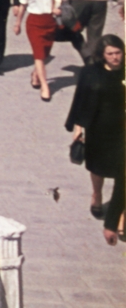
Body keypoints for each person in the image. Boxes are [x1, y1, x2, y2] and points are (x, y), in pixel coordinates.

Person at [66, 35, 125, 244]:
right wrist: (78, 126)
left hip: (123, 130)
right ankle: (97, 195)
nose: (115, 58)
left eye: (118, 53)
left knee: (123, 174)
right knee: (98, 167)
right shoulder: (91, 73)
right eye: (111, 54)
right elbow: (81, 99)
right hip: (98, 128)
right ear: (102, 55)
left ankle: (120, 217)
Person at [13, 0, 63, 101]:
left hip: (49, 23)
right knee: (39, 55)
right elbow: (23, 7)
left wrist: (57, 8)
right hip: (34, 23)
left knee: (45, 53)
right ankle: (45, 86)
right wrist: (18, 24)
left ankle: (35, 75)